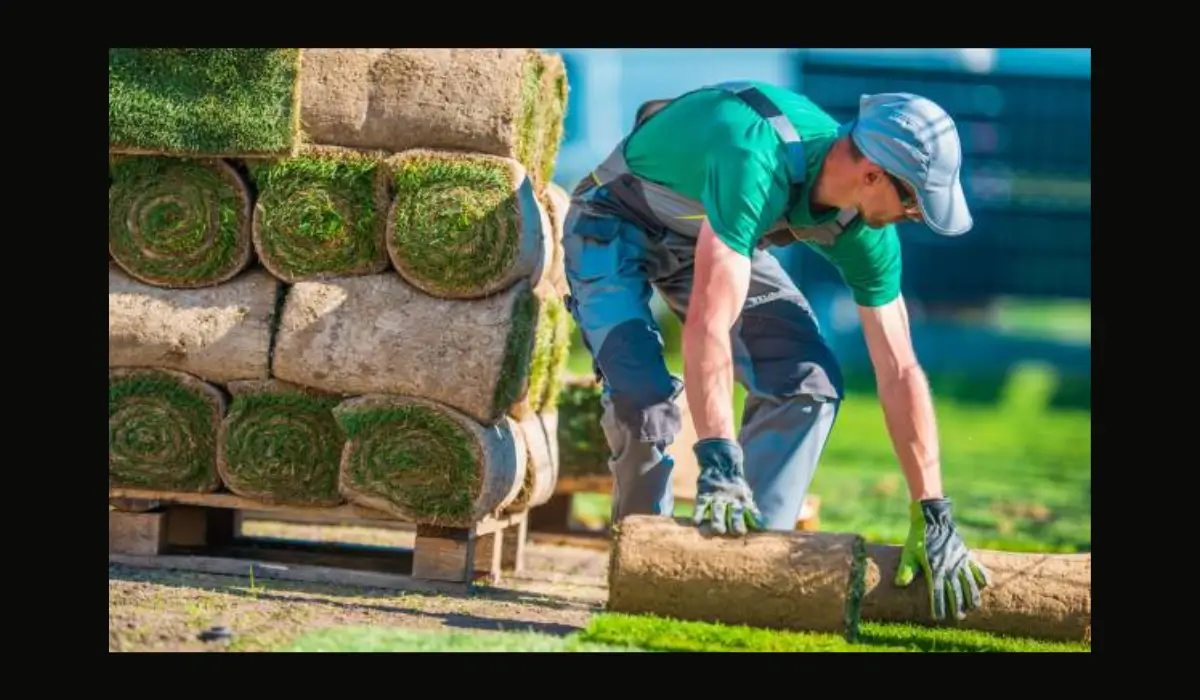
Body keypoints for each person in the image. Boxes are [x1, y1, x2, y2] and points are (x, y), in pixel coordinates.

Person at [559, 80, 991, 621]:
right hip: (612, 223)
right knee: (644, 401)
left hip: (715, 237)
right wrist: (717, 457)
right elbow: (710, 325)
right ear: (873, 173)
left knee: (807, 384)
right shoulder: (755, 158)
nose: (914, 216)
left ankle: (736, 574)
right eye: (912, 200)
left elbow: (900, 368)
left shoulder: (865, 232)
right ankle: (648, 576)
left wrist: (933, 511)